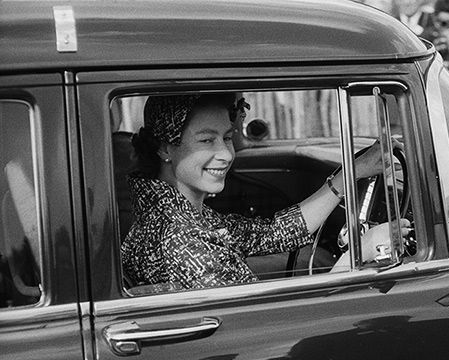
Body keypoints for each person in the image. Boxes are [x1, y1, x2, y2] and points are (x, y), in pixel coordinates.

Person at [121, 93, 411, 289]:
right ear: (164, 147)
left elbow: (271, 233)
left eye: (226, 138)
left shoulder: (175, 213)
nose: (225, 154)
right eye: (206, 141)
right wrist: (362, 251)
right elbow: (275, 333)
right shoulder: (184, 240)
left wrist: (351, 173)